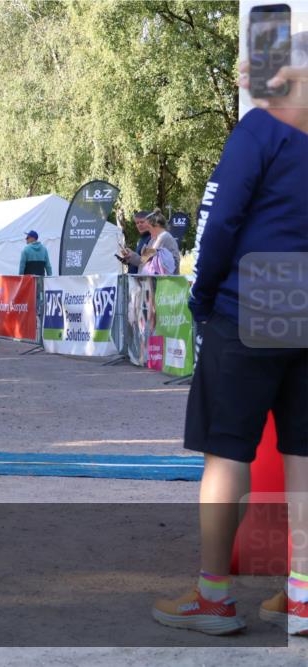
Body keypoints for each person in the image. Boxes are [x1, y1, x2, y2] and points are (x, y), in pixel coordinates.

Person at [152, 45, 308, 637]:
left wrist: (202, 293)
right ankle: (303, 598)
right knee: (304, 457)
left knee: (227, 454)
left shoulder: (261, 128)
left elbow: (220, 218)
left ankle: (214, 597)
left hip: (252, 303)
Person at [137, 209, 180, 275]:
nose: (149, 231)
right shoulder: (153, 239)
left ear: (156, 225)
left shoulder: (167, 238)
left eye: (149, 228)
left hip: (166, 282)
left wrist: (155, 254)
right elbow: (143, 261)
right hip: (151, 281)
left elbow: (175, 262)